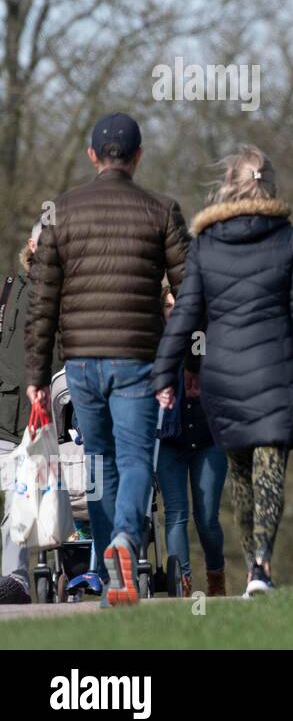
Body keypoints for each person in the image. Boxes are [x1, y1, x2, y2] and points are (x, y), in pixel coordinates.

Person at [153, 146, 293, 597]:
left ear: (228, 184)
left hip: (222, 375)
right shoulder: (292, 240)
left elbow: (185, 316)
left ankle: (251, 572)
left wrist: (168, 373)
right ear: (269, 184)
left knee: (240, 476)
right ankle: (261, 563)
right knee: (269, 469)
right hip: (276, 373)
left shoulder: (204, 245)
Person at [26, 113, 191, 606]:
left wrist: (37, 376)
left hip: (79, 364)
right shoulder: (162, 210)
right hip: (138, 358)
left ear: (92, 155)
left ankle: (107, 571)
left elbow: (42, 302)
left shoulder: (61, 213)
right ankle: (124, 540)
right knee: (138, 456)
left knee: (97, 463)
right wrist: (186, 363)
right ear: (138, 156)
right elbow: (191, 294)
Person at [0, 220, 59, 604]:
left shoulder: (68, 294)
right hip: (7, 415)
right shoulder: (7, 290)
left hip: (50, 416)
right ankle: (14, 578)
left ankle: (62, 575)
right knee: (14, 500)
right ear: (30, 245)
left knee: (55, 496)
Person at [156, 287, 227, 597]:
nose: (174, 311)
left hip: (208, 438)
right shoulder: (155, 343)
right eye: (169, 306)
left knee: (207, 518)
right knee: (175, 514)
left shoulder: (211, 338)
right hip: (169, 440)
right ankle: (182, 586)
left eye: (179, 306)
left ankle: (216, 576)